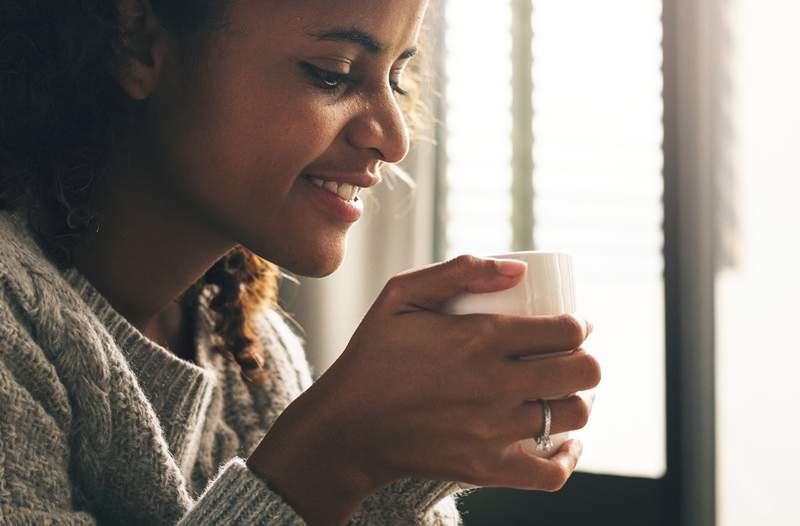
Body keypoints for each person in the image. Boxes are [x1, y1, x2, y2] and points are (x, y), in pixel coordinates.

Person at [0, 0, 601, 524]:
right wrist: (332, 453)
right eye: (332, 73)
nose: (394, 139)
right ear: (137, 43)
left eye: (397, 76)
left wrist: (396, 464)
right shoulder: (15, 335)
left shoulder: (250, 352)